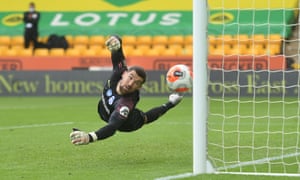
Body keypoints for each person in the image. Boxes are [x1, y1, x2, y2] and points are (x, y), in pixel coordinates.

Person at [70, 35, 183, 145]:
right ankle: (171, 103)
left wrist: (90, 137)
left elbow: (112, 127)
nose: (130, 84)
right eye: (130, 78)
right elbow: (117, 52)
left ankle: (171, 103)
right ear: (124, 74)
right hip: (103, 110)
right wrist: (116, 40)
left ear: (139, 88)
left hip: (127, 124)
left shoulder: (125, 104)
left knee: (144, 118)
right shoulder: (119, 71)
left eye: (136, 83)